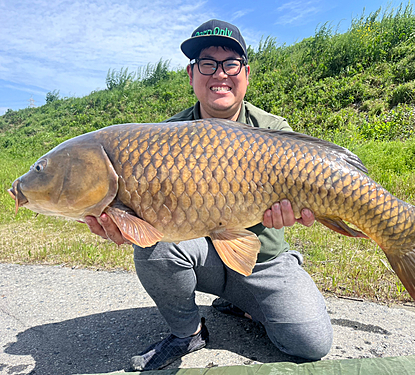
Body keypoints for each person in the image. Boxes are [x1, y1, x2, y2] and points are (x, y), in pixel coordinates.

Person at [85, 19, 333, 371]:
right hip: (200, 256)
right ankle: (188, 332)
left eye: (230, 63)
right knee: (156, 246)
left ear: (246, 73)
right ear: (191, 75)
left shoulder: (275, 131)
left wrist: (303, 211)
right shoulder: (163, 137)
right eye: (207, 64)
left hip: (263, 260)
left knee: (311, 344)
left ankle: (243, 300)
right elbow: (143, 227)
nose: (220, 74)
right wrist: (124, 228)